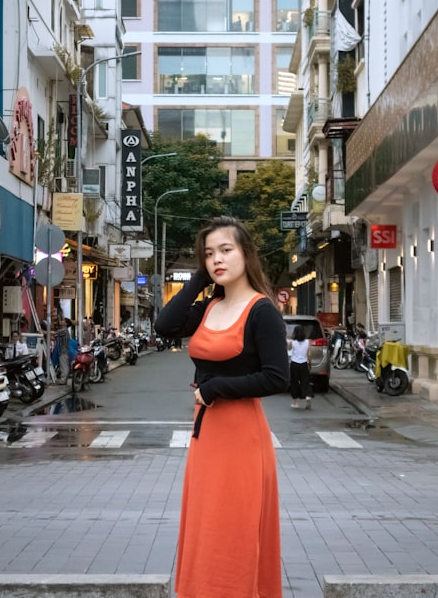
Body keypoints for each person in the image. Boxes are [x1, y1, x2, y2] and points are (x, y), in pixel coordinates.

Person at [155, 215, 289, 598]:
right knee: (206, 527)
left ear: (246, 253)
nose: (218, 259)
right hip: (207, 436)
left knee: (235, 529)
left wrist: (217, 389)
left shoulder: (261, 311)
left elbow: (277, 378)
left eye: (226, 250)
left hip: (241, 436)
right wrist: (199, 280)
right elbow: (165, 325)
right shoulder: (210, 308)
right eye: (209, 254)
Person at [288, 324, 313, 409]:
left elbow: (288, 349)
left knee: (294, 382)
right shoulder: (307, 342)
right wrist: (310, 363)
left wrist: (291, 339)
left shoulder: (293, 342)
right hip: (304, 364)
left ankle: (296, 402)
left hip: (294, 363)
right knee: (305, 381)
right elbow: (309, 354)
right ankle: (308, 396)